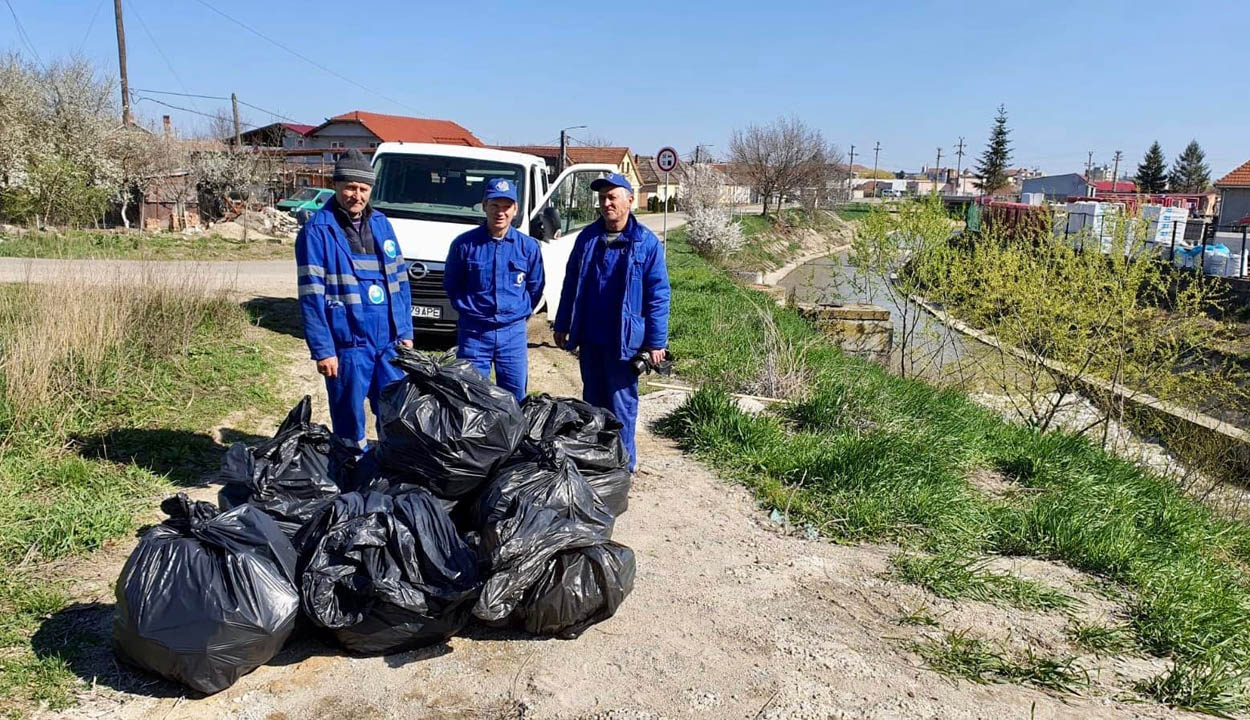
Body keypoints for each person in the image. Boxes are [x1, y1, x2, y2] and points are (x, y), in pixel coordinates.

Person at [295, 149, 413, 446]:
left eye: (363, 189)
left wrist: (405, 332)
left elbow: (400, 281)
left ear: (371, 190)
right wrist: (323, 349)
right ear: (335, 185)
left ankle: (389, 469)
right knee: (348, 415)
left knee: (395, 411)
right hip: (347, 344)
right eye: (349, 187)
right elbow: (311, 296)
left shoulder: (383, 225)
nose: (356, 195)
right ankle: (350, 472)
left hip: (388, 342)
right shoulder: (317, 231)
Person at [553, 172, 670, 472]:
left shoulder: (645, 243)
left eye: (612, 197)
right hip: (591, 338)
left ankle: (622, 469)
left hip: (625, 343)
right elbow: (571, 285)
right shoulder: (587, 238)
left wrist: (656, 342)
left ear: (630, 200)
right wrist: (562, 323)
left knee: (621, 407)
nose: (606, 204)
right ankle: (594, 465)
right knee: (592, 404)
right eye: (602, 198)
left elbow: (658, 294)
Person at [444, 177, 545, 401]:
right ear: (484, 206)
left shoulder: (528, 247)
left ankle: (510, 437)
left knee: (514, 396)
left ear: (516, 209)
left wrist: (517, 313)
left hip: (513, 333)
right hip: (475, 333)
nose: (500, 212)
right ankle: (475, 438)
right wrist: (471, 311)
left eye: (507, 207)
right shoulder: (464, 245)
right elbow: (452, 284)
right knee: (470, 395)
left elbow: (535, 287)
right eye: (494, 206)